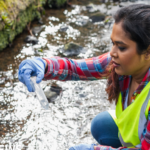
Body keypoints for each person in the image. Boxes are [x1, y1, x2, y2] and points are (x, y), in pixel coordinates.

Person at [18, 4, 150, 150]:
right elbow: (77, 68)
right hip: (139, 139)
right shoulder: (123, 63)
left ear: (148, 52)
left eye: (121, 47)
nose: (112, 52)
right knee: (101, 124)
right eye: (113, 43)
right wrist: (45, 65)